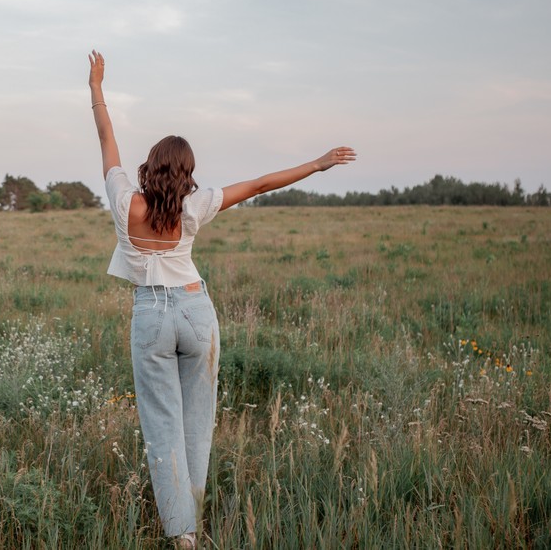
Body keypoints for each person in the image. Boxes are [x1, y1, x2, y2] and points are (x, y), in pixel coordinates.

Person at [88, 50, 356, 549]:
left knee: (162, 428)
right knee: (197, 428)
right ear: (186, 171)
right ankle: (193, 516)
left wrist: (96, 88)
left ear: (150, 166)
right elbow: (259, 184)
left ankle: (182, 535)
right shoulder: (195, 206)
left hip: (150, 314)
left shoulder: (125, 200)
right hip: (195, 312)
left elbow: (106, 137)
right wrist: (318, 165)